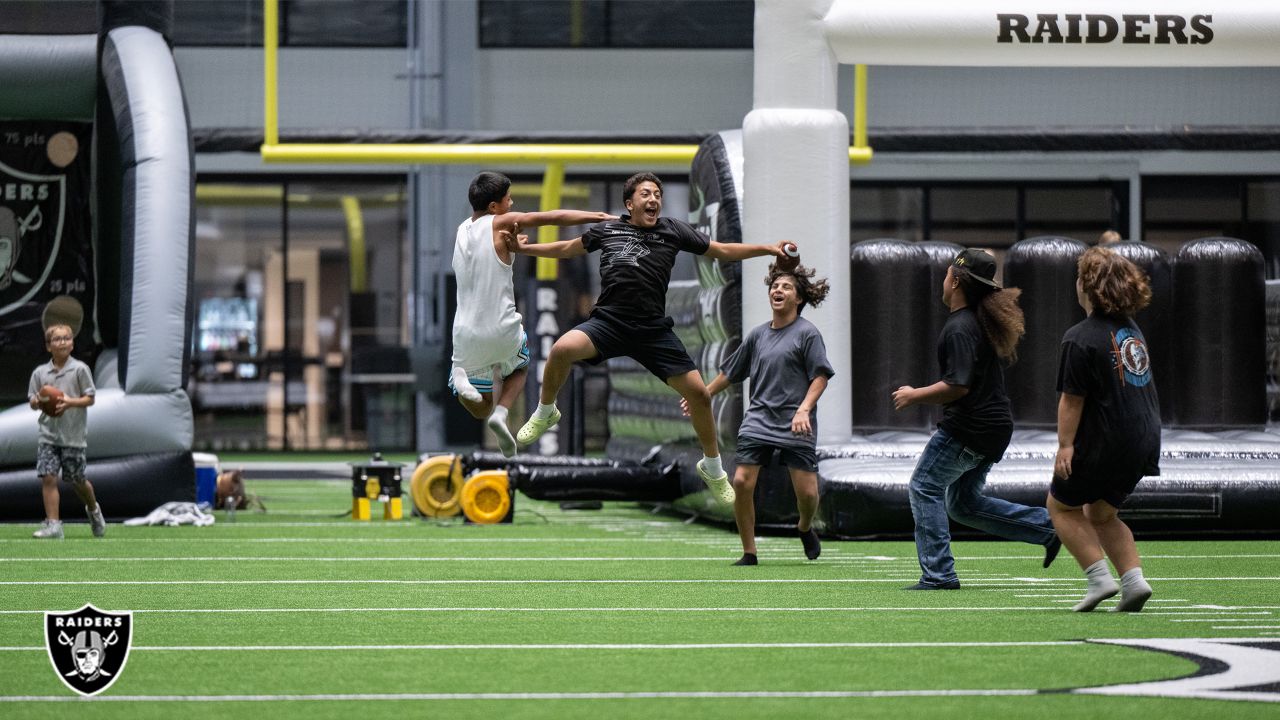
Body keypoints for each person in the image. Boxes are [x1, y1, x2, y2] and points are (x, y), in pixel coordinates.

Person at [510, 172, 792, 504]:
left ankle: (712, 467)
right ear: (630, 204)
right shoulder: (608, 229)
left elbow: (721, 249)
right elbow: (568, 249)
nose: (654, 199)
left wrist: (768, 249)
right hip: (609, 322)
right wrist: (525, 251)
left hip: (652, 331)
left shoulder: (673, 229)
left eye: (657, 194)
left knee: (700, 395)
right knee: (561, 349)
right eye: (646, 194)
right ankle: (546, 410)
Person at [891, 248, 1060, 589]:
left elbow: (958, 386)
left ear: (954, 281)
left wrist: (913, 395)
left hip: (971, 427)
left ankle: (938, 574)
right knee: (964, 504)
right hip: (994, 428)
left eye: (946, 274)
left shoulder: (960, 327)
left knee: (924, 488)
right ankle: (1049, 528)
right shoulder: (976, 322)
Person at [450, 171, 615, 457]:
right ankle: (502, 414)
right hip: (502, 327)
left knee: (480, 408)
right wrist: (599, 216)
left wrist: (514, 249)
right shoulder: (501, 222)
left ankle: (465, 384)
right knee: (520, 368)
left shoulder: (463, 230)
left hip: (465, 333)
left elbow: (492, 250)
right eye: (508, 199)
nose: (512, 204)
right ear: (493, 207)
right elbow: (551, 217)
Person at [692, 262, 833, 565]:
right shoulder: (757, 336)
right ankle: (749, 551)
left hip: (796, 422)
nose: (778, 290)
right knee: (742, 481)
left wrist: (804, 409)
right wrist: (703, 394)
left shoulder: (808, 334)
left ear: (799, 298)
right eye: (775, 286)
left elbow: (820, 377)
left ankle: (805, 527)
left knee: (807, 494)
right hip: (758, 420)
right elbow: (731, 372)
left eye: (786, 287)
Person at [1048, 246, 1160, 612]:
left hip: (1106, 439)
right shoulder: (1131, 331)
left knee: (1061, 508)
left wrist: (1065, 445)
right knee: (1101, 514)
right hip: (1143, 437)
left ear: (1086, 286)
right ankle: (1134, 581)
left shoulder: (1079, 337)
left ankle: (1099, 580)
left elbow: (1072, 400)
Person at [29, 323, 103, 539]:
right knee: (48, 477)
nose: (62, 342)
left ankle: (93, 509)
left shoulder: (80, 369)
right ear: (48, 346)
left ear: (72, 344)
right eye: (57, 339)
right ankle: (54, 525)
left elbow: (90, 398)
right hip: (48, 434)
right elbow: (33, 400)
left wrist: (69, 402)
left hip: (73, 436)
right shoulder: (40, 373)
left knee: (77, 480)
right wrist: (38, 401)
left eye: (67, 338)